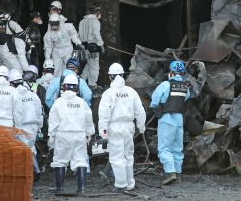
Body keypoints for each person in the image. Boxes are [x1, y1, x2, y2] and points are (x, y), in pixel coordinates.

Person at [99, 63, 146, 193]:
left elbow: (104, 114)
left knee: (116, 157)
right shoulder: (131, 92)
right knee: (128, 156)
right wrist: (141, 126)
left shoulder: (108, 93)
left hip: (115, 127)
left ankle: (121, 184)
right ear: (123, 76)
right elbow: (140, 111)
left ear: (110, 77)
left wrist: (103, 131)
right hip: (129, 127)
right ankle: (130, 183)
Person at [48, 73, 95, 194]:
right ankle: (82, 188)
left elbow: (53, 119)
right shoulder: (81, 102)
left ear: (63, 87)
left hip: (63, 134)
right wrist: (89, 133)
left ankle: (59, 187)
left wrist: (51, 134)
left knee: (60, 160)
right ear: (77, 88)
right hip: (79, 134)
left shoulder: (59, 102)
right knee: (81, 160)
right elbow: (89, 119)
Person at [151, 60, 190, 185]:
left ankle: (170, 173)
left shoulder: (165, 85)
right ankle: (178, 175)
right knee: (177, 149)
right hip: (179, 120)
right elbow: (186, 98)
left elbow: (154, 101)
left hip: (166, 119)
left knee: (164, 148)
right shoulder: (185, 87)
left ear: (171, 71)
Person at [12, 69, 44, 181]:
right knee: (30, 149)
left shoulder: (14, 96)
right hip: (33, 126)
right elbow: (40, 113)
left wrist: (17, 128)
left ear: (11, 83)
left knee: (21, 150)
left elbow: (16, 114)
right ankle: (36, 170)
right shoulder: (33, 95)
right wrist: (39, 127)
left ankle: (27, 173)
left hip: (22, 125)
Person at [44, 13, 82, 77]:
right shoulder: (48, 34)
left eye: (56, 24)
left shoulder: (68, 27)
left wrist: (78, 43)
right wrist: (47, 60)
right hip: (56, 50)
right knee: (56, 69)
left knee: (70, 67)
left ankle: (69, 81)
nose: (54, 26)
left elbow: (74, 35)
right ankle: (57, 83)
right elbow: (48, 47)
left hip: (67, 49)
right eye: (52, 25)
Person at [78, 4, 105, 88]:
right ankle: (92, 85)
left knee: (89, 65)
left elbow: (79, 35)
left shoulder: (82, 21)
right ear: (97, 12)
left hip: (84, 47)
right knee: (94, 67)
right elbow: (96, 34)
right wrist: (101, 44)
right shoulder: (95, 21)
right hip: (93, 47)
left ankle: (80, 80)